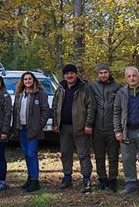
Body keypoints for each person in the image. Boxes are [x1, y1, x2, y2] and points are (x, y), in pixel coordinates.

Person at [52, 64, 96, 192]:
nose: (69, 76)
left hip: (81, 128)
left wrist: (89, 124)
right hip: (64, 127)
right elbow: (55, 106)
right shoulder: (60, 88)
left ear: (76, 74)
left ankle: (86, 180)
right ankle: (67, 178)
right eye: (67, 74)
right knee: (65, 153)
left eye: (72, 73)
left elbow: (91, 107)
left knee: (83, 155)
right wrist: (56, 123)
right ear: (64, 75)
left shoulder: (84, 88)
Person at [113, 66, 139, 199]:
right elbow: (116, 112)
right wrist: (118, 130)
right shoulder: (121, 93)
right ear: (126, 78)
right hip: (126, 131)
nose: (132, 78)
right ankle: (131, 184)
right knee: (127, 160)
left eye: (134, 76)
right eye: (129, 76)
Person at [12, 71, 51, 192]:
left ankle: (35, 180)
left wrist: (40, 125)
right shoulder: (19, 94)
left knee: (31, 153)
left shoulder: (40, 94)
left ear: (34, 80)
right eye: (25, 79)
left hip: (33, 129)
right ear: (22, 82)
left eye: (30, 79)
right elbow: (15, 111)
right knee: (26, 154)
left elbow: (45, 111)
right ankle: (29, 178)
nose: (28, 81)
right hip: (22, 128)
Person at [90, 63, 121, 192]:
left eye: (105, 72)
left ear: (109, 73)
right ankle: (102, 179)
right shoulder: (92, 86)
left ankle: (113, 179)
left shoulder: (117, 87)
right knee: (99, 155)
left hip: (112, 127)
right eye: (100, 73)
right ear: (98, 74)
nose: (103, 75)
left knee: (113, 155)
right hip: (97, 127)